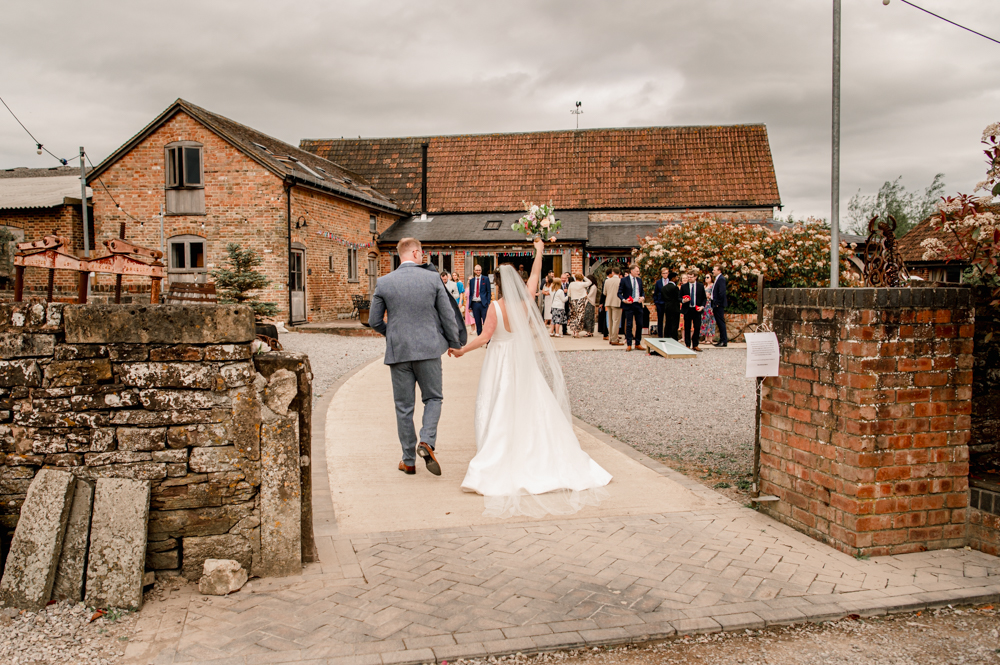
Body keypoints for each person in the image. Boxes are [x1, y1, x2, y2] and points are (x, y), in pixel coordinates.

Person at [448, 238, 612, 518]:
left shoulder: (495, 308)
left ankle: (499, 456)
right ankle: (538, 454)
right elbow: (536, 274)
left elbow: (485, 337)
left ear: (497, 283)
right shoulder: (526, 299)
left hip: (500, 361)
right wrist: (539, 251)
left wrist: (462, 350)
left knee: (498, 406)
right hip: (522, 361)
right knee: (532, 405)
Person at [368, 238, 465, 476]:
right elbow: (447, 316)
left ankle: (408, 460)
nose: (423, 257)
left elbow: (373, 321)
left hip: (399, 352)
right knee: (433, 398)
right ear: (415, 252)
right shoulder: (432, 279)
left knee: (404, 407)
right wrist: (454, 343)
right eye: (421, 254)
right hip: (429, 349)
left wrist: (391, 334)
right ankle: (427, 441)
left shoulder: (384, 282)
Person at [617, 264, 645, 351]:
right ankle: (629, 344)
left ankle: (638, 343)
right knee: (629, 324)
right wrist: (624, 300)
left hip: (638, 304)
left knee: (640, 324)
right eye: (637, 271)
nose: (638, 273)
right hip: (629, 304)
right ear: (632, 271)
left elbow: (642, 291)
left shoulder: (639, 280)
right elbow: (619, 293)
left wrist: (643, 297)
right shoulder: (624, 280)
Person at [679, 272, 707, 352]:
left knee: (697, 327)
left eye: (691, 277)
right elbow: (679, 297)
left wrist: (702, 306)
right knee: (687, 327)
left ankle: (695, 344)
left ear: (695, 277)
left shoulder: (700, 286)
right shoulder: (684, 286)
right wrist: (683, 300)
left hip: (697, 309)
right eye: (688, 277)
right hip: (687, 309)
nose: (689, 278)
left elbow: (704, 298)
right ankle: (687, 345)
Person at [468, 264, 492, 336]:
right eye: (477, 270)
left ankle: (488, 340)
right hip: (475, 304)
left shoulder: (486, 279)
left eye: (479, 270)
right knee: (478, 323)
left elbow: (488, 291)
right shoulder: (471, 281)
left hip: (483, 304)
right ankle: (480, 339)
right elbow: (471, 293)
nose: (478, 271)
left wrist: (488, 302)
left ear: (481, 271)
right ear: (474, 271)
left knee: (486, 322)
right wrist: (470, 305)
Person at [566, 273, 592, 337]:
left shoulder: (571, 284)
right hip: (580, 300)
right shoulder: (582, 284)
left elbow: (568, 293)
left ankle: (573, 331)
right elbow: (590, 282)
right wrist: (584, 277)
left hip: (573, 300)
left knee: (573, 316)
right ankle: (577, 331)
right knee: (580, 316)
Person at [603, 266, 623, 346]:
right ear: (619, 273)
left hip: (608, 302)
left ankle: (611, 337)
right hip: (617, 302)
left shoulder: (607, 281)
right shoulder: (621, 281)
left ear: (613, 272)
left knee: (610, 321)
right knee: (616, 321)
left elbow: (604, 292)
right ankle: (614, 339)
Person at [712, 265, 729, 347]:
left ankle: (723, 341)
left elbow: (722, 292)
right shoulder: (718, 279)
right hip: (716, 304)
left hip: (719, 304)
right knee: (719, 322)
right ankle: (722, 340)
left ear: (719, 271)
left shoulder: (721, 279)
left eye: (714, 270)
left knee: (720, 322)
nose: (713, 271)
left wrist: (718, 303)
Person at [653, 267, 672, 338]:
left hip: (668, 303)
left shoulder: (670, 281)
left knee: (668, 320)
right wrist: (656, 302)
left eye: (666, 273)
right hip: (660, 303)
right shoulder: (658, 282)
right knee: (660, 320)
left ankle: (668, 335)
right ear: (661, 274)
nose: (665, 275)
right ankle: (660, 335)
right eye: (664, 273)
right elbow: (656, 293)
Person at [700, 274, 716, 343]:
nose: (706, 278)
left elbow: (714, 295)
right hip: (705, 305)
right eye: (705, 277)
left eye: (707, 277)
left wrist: (709, 296)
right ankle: (706, 338)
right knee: (705, 321)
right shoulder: (704, 286)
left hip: (710, 304)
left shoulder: (713, 286)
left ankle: (710, 338)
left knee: (711, 320)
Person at [582, 273, 598, 337]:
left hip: (590, 303)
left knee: (589, 317)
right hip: (589, 302)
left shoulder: (593, 287)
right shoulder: (590, 286)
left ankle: (589, 331)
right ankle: (590, 331)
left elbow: (589, 295)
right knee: (589, 317)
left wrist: (585, 294)